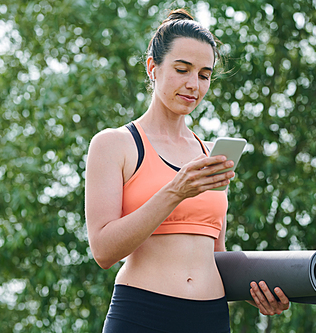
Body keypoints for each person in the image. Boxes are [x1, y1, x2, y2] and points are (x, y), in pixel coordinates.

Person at [85, 9, 289, 332]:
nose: (193, 85)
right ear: (153, 67)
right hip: (141, 314)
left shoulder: (210, 154)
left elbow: (215, 254)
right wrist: (176, 190)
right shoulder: (114, 145)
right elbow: (103, 250)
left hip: (211, 318)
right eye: (182, 70)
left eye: (204, 75)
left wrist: (258, 290)